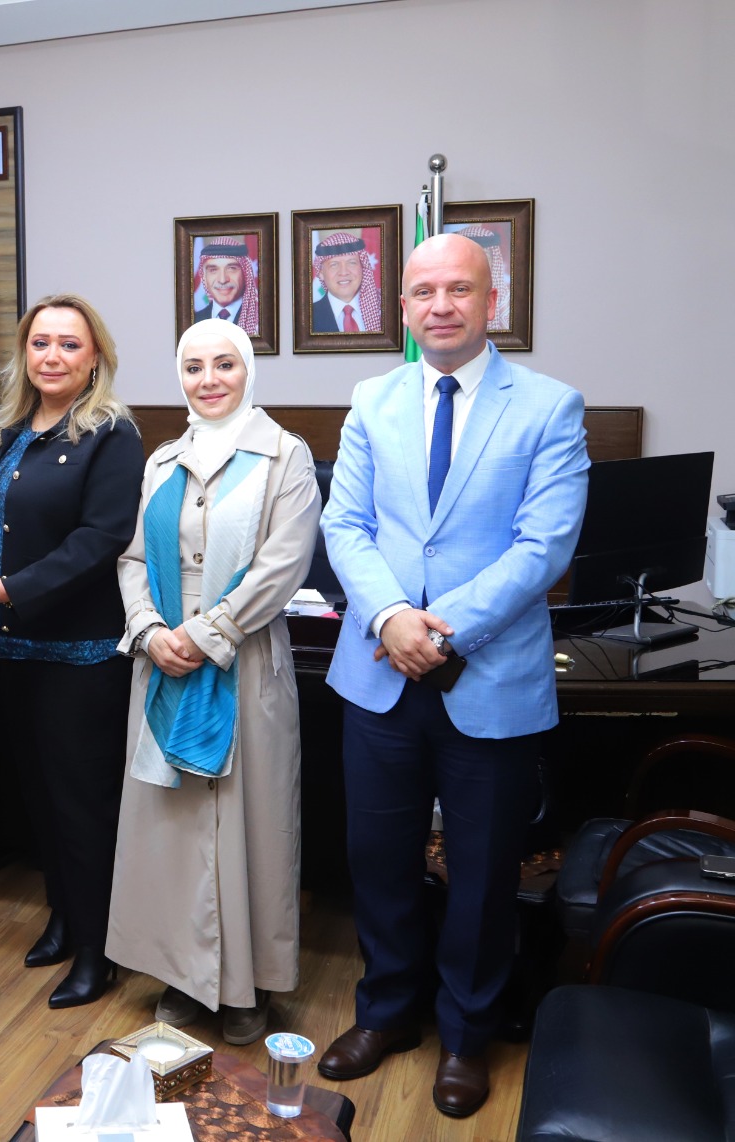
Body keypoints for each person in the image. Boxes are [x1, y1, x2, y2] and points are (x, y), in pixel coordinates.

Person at [317, 233, 588, 1118]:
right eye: (424, 291)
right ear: (401, 305)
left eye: (460, 289)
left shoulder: (548, 406)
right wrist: (392, 618)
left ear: (490, 301)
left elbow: (544, 545)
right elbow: (345, 525)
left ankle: (468, 1034)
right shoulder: (372, 399)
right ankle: (387, 1013)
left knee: (481, 874)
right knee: (379, 862)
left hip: (490, 679)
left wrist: (444, 630)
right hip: (378, 676)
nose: (441, 305)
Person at [106, 318, 321, 1044]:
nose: (209, 379)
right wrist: (148, 630)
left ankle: (248, 987)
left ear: (247, 370)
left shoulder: (285, 455)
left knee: (249, 828)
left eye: (224, 364)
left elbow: (284, 565)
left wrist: (205, 635)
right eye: (193, 366)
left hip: (244, 660)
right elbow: (133, 558)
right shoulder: (163, 461)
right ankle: (184, 976)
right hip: (163, 661)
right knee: (172, 830)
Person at [0, 293, 144, 1008]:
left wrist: (8, 588)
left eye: (69, 344)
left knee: (82, 808)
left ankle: (97, 949)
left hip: (80, 655)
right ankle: (63, 917)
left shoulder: (112, 434)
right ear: (24, 354)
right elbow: (0, 521)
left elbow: (100, 539)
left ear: (95, 358)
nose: (52, 356)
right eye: (40, 343)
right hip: (14, 648)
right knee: (40, 802)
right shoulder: (12, 431)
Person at [310, 231, 384, 334]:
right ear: (321, 273)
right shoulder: (308, 317)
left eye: (351, 263)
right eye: (334, 264)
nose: (344, 272)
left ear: (362, 267)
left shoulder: (385, 308)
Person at [191, 238, 260, 332]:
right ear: (204, 277)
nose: (222, 280)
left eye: (231, 268)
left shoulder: (260, 322)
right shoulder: (194, 323)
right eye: (213, 270)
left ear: (245, 274)